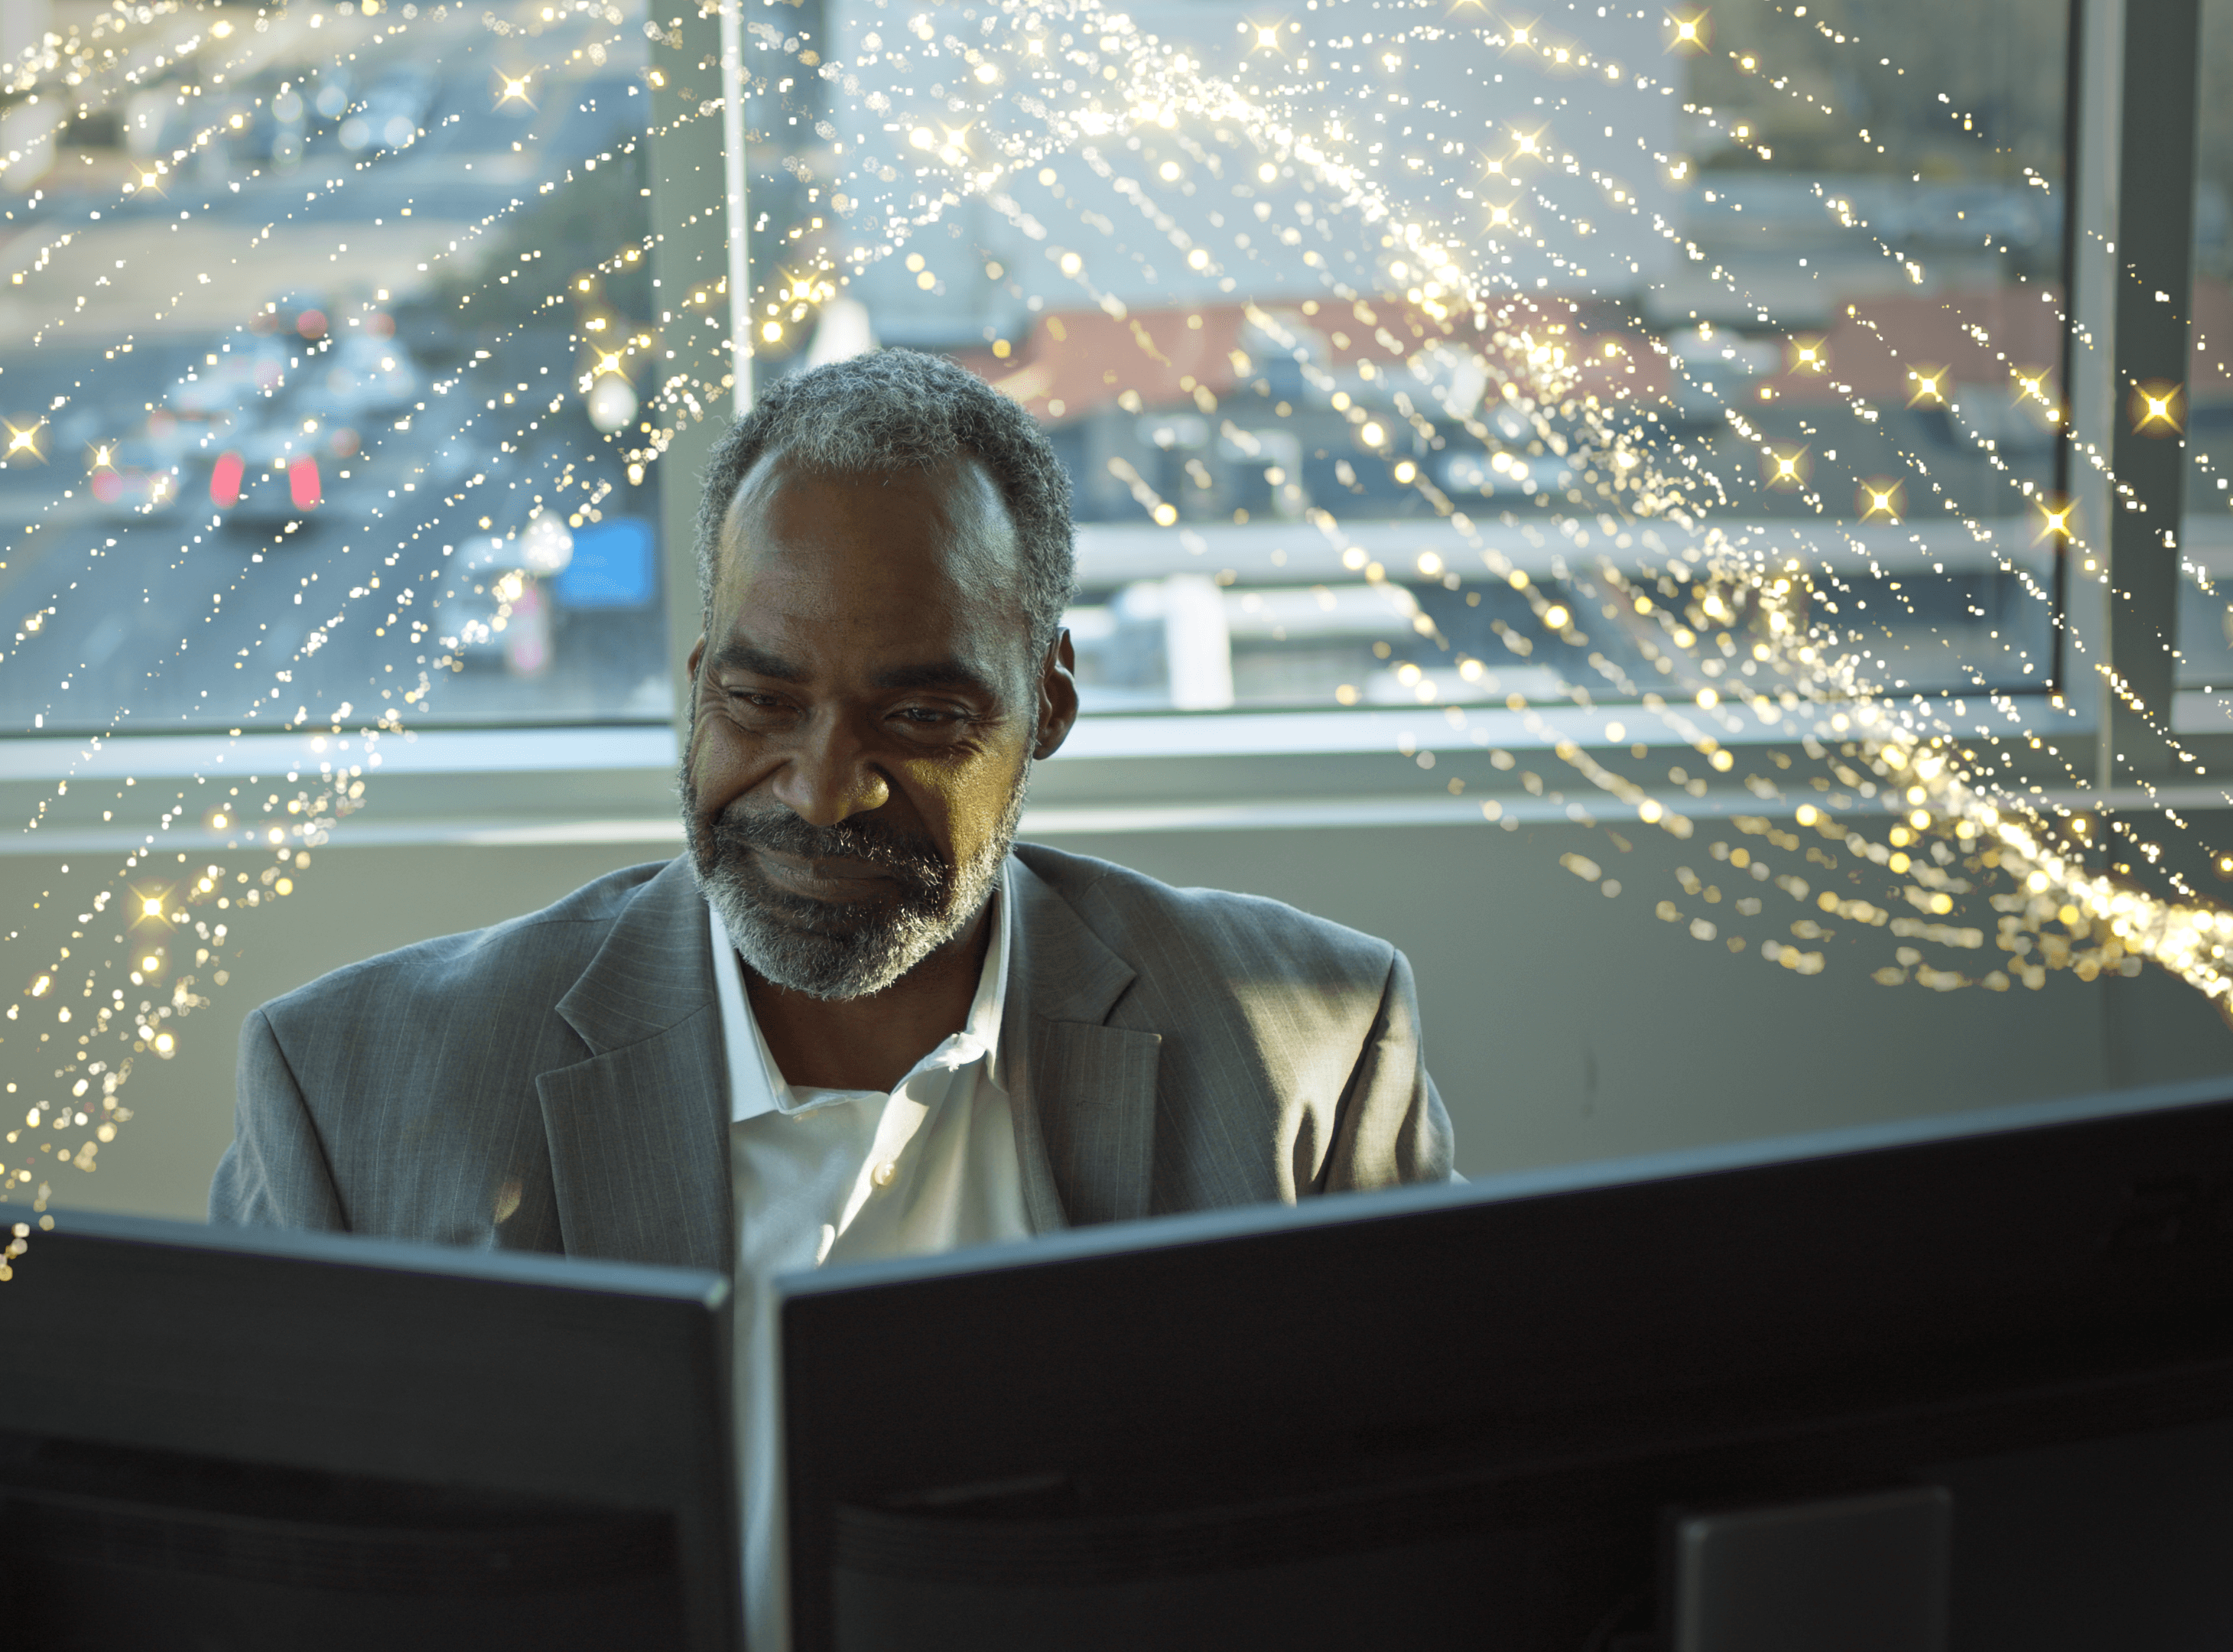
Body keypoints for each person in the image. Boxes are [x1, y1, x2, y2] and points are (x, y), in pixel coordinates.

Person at [210, 346, 1455, 1650]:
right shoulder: (346, 1100)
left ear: (1050, 704)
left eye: (917, 716)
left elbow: (1436, 1570)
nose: (819, 788)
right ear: (698, 689)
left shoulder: (1313, 1049)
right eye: (759, 700)